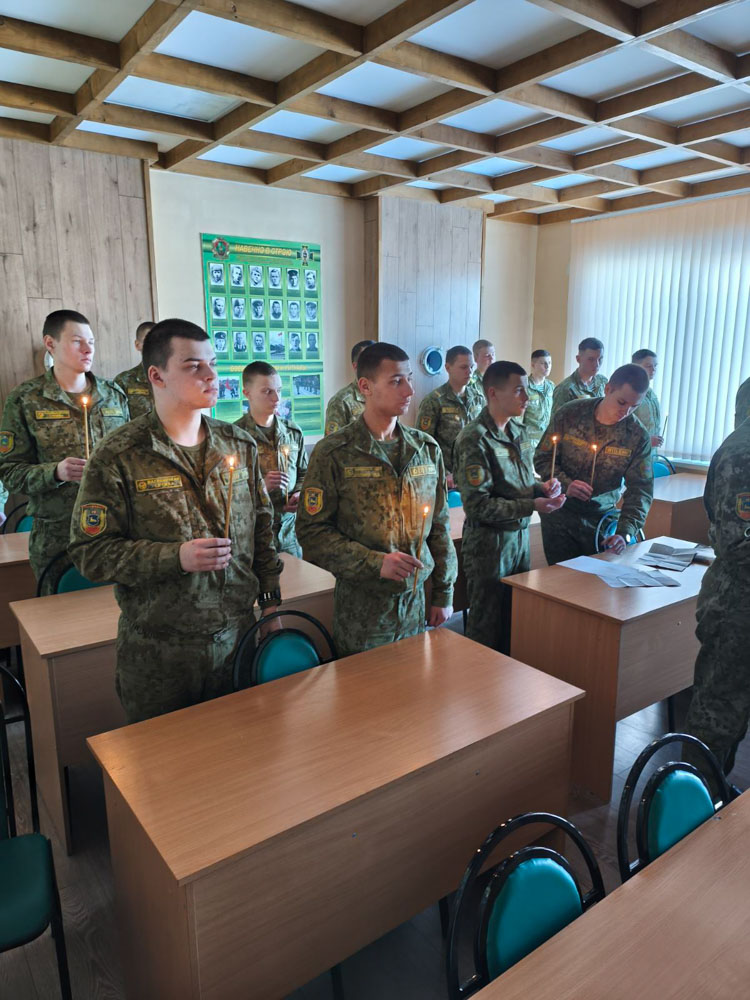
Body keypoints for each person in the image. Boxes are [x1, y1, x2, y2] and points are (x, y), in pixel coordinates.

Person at [68, 319, 283, 724]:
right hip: (161, 654)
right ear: (157, 375)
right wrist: (175, 558)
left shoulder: (239, 445)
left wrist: (271, 603)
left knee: (242, 751)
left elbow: (262, 530)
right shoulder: (119, 455)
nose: (211, 375)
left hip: (237, 639)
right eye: (193, 366)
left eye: (212, 363)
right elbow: (89, 553)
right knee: (163, 761)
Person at [297, 343, 457, 658]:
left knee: (414, 683)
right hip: (362, 613)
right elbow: (312, 533)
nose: (409, 390)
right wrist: (375, 563)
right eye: (396, 381)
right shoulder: (335, 453)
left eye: (409, 378)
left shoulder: (425, 449)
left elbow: (438, 525)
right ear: (365, 387)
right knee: (364, 688)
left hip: (415, 606)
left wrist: (444, 591)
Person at [0, 310, 129, 591]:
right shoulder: (26, 399)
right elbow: (10, 472)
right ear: (51, 344)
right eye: (77, 341)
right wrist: (56, 472)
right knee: (59, 613)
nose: (88, 350)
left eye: (91, 342)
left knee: (115, 609)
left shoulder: (114, 395)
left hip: (114, 530)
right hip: (58, 535)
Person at [455, 362, 565, 652]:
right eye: (518, 391)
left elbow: (520, 482)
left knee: (514, 622)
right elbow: (478, 505)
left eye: (526, 390)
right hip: (489, 545)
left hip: (518, 539)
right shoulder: (475, 438)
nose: (526, 398)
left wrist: (542, 488)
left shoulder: (517, 430)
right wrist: (533, 504)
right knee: (486, 630)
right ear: (493, 393)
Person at [682, 418, 750, 783]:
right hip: (737, 603)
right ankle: (691, 805)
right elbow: (738, 542)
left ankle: (716, 796)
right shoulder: (744, 452)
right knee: (717, 713)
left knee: (735, 710)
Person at [534, 364, 653, 564]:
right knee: (558, 579)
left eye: (634, 406)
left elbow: (641, 491)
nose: (626, 411)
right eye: (622, 402)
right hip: (559, 516)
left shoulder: (637, 435)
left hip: (600, 522)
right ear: (608, 389)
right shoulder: (570, 414)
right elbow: (543, 458)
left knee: (595, 581)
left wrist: (624, 533)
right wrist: (566, 484)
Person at [235, 362, 307, 557]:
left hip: (289, 532)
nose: (276, 398)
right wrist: (262, 488)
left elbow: (304, 472)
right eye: (267, 391)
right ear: (247, 393)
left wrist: (299, 493)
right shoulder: (234, 436)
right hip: (253, 535)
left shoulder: (292, 432)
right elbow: (226, 493)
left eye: (279, 390)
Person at [416, 345, 483, 488]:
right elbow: (423, 444)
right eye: (463, 367)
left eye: (471, 367)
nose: (469, 371)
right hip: (447, 480)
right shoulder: (434, 401)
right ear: (448, 368)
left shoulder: (478, 398)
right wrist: (444, 473)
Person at [324, 339, 375, 435]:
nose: (375, 365)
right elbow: (332, 442)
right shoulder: (341, 402)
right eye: (369, 361)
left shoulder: (386, 396)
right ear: (356, 366)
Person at [550, 337, 607, 418]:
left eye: (600, 359)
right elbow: (557, 422)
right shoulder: (565, 389)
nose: (596, 364)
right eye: (591, 359)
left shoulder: (603, 381)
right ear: (578, 359)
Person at [114, 321, 155, 419]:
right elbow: (118, 420)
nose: (154, 345)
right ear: (137, 345)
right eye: (148, 341)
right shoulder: (124, 381)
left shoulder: (174, 379)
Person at [522, 348, 555, 449]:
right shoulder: (525, 387)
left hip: (547, 440)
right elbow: (517, 418)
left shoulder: (551, 386)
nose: (547, 366)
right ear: (533, 365)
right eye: (543, 363)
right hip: (529, 440)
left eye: (549, 363)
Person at [631, 349, 664, 449]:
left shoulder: (651, 393)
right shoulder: (629, 392)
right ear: (635, 367)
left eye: (655, 366)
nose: (653, 370)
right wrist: (646, 440)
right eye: (648, 366)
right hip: (635, 451)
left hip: (650, 451)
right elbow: (622, 426)